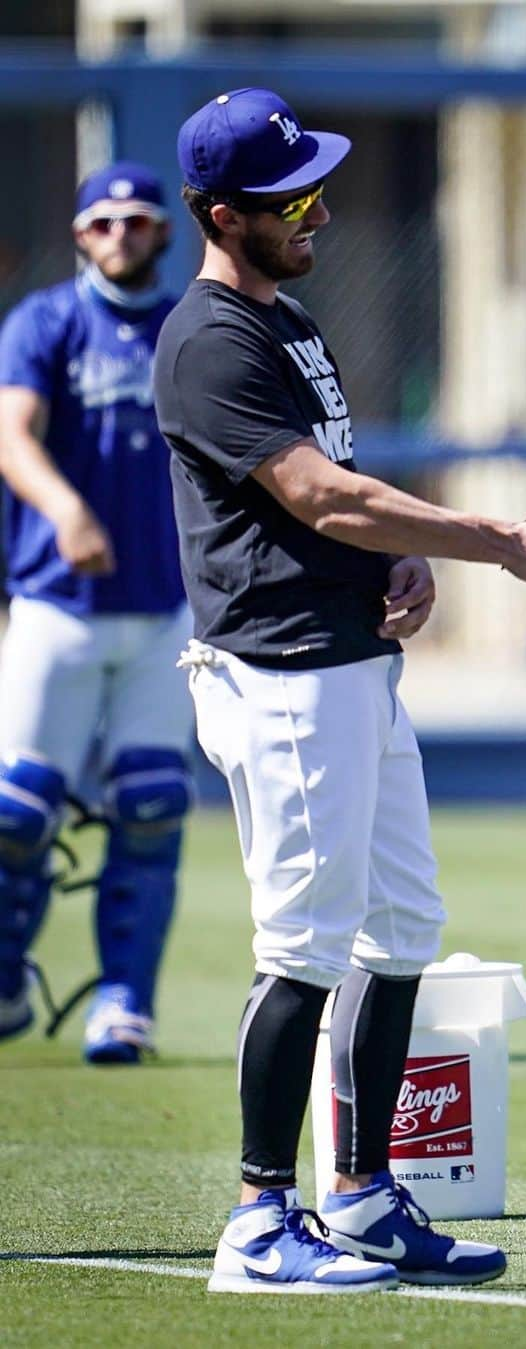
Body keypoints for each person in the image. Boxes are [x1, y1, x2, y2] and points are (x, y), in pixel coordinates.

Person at [153, 87, 526, 1296]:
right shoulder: (209, 337)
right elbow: (318, 495)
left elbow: (344, 500)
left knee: (403, 928)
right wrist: (500, 540)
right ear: (221, 215)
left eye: (317, 185)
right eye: (289, 196)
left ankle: (359, 1194)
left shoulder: (284, 318)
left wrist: (403, 555)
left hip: (353, 661)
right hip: (282, 671)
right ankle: (261, 1219)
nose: (317, 207)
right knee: (302, 946)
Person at [0, 161, 192, 1064]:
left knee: (151, 804)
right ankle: (4, 979)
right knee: (17, 811)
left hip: (164, 605)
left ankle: (124, 1002)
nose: (122, 235)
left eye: (140, 221)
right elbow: (11, 434)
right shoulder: (45, 321)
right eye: (106, 222)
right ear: (83, 234)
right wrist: (66, 508)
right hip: (56, 599)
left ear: (163, 233)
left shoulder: (190, 328)